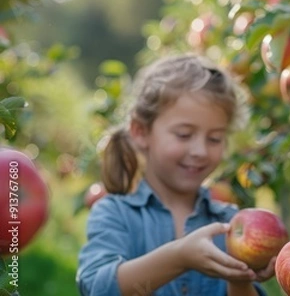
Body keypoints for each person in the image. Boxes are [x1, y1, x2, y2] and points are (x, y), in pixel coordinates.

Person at [77, 54, 273, 295]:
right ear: (141, 132)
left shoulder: (229, 225)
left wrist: (240, 277)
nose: (200, 151)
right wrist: (179, 258)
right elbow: (98, 288)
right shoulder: (115, 214)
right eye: (183, 134)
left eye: (215, 138)